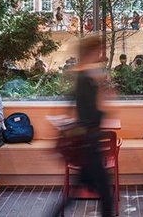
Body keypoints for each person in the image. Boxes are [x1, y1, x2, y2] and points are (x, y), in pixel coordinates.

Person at [46, 34, 113, 217]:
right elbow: (93, 114)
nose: (101, 54)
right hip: (90, 141)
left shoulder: (82, 75)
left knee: (76, 193)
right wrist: (104, 97)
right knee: (106, 195)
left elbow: (73, 104)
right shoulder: (87, 78)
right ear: (93, 51)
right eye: (99, 50)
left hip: (86, 141)